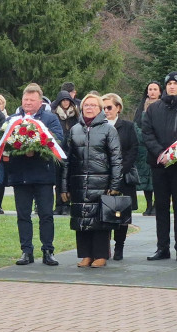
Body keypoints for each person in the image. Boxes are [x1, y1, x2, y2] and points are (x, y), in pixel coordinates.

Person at [141, 72, 177, 262]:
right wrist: (161, 153)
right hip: (159, 165)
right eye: (169, 83)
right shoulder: (154, 108)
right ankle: (162, 248)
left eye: (176, 83)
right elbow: (147, 133)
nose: (172, 86)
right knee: (162, 207)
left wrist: (175, 154)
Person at [5, 83, 64, 266]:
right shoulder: (13, 119)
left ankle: (48, 250)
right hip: (20, 175)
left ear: (40, 102)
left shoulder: (49, 119)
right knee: (23, 215)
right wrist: (18, 149)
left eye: (32, 100)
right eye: (25, 99)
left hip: (43, 176)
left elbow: (59, 140)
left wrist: (36, 150)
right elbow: (4, 142)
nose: (28, 102)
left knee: (46, 214)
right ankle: (26, 251)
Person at [60, 94, 121, 268]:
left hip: (101, 183)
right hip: (79, 183)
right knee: (81, 220)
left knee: (100, 221)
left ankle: (101, 255)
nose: (89, 107)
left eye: (93, 105)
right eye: (86, 105)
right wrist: (64, 186)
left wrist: (114, 185)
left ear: (100, 109)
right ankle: (86, 255)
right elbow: (66, 161)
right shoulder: (74, 130)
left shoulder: (109, 130)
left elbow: (116, 159)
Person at [101, 94, 138, 261]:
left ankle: (119, 247)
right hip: (103, 176)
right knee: (104, 213)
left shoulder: (128, 126)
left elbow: (133, 150)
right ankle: (104, 246)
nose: (106, 111)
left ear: (118, 108)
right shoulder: (98, 126)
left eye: (109, 107)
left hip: (123, 176)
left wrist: (120, 170)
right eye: (103, 108)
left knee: (121, 215)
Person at [133, 80, 161, 216]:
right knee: (145, 179)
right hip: (143, 149)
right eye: (150, 89)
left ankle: (156, 205)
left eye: (155, 89)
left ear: (160, 92)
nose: (152, 92)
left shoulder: (162, 107)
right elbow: (136, 125)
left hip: (157, 148)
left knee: (156, 179)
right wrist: (142, 137)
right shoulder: (141, 107)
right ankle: (149, 205)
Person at [51, 91, 79, 216]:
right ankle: (59, 204)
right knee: (58, 179)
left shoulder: (76, 115)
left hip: (71, 150)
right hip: (58, 151)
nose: (66, 102)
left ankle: (67, 204)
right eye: (63, 100)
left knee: (68, 179)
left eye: (68, 100)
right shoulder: (54, 115)